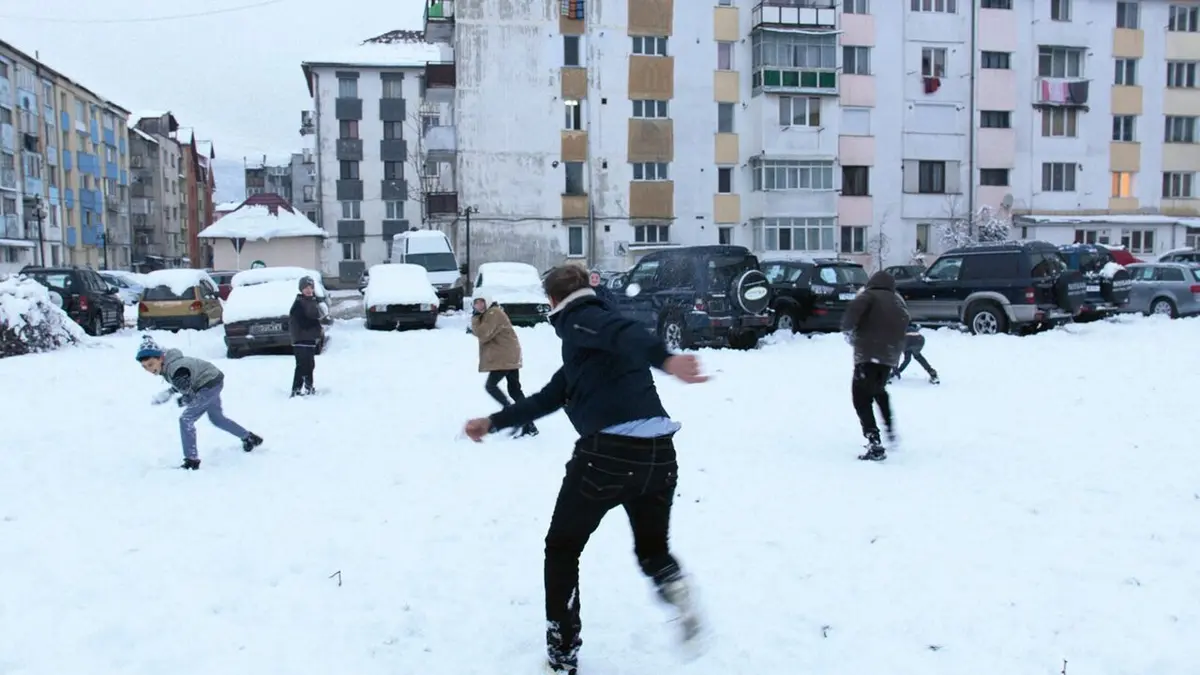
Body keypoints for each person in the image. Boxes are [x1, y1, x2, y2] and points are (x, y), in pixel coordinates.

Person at [463, 265, 709, 675]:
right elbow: (547, 398)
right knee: (652, 551)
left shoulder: (584, 319)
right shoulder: (585, 351)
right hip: (660, 456)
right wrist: (493, 421)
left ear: (553, 300)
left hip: (608, 456)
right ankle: (674, 584)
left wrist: (667, 360)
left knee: (562, 547)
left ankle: (562, 653)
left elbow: (622, 331)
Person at [136, 335, 263, 469]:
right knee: (217, 419)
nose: (149, 369)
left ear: (161, 358)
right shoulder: (169, 365)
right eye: (145, 367)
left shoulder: (175, 368)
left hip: (208, 385)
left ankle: (191, 461)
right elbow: (184, 383)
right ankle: (249, 438)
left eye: (151, 364)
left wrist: (183, 400)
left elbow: (187, 388)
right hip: (212, 379)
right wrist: (171, 392)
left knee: (186, 419)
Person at [841, 271, 910, 461]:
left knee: (861, 398)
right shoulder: (897, 301)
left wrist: (854, 337)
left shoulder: (868, 296)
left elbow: (848, 322)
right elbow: (905, 322)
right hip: (888, 358)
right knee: (878, 391)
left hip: (868, 355)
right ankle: (889, 428)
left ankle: (874, 441)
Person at [471, 291, 538, 438]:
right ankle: (529, 425)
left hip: (505, 357)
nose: (479, 305)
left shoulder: (493, 313)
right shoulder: (491, 313)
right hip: (510, 355)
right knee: (514, 390)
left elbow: (483, 334)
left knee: (491, 386)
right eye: (476, 303)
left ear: (487, 301)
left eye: (481, 302)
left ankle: (513, 415)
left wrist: (475, 318)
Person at [289, 276, 323, 397]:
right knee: (301, 365)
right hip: (300, 339)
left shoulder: (312, 302)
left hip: (310, 339)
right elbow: (303, 322)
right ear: (301, 289)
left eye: (311, 288)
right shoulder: (298, 303)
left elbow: (317, 316)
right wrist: (316, 324)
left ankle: (309, 386)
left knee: (310, 364)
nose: (309, 290)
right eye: (306, 288)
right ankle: (296, 389)